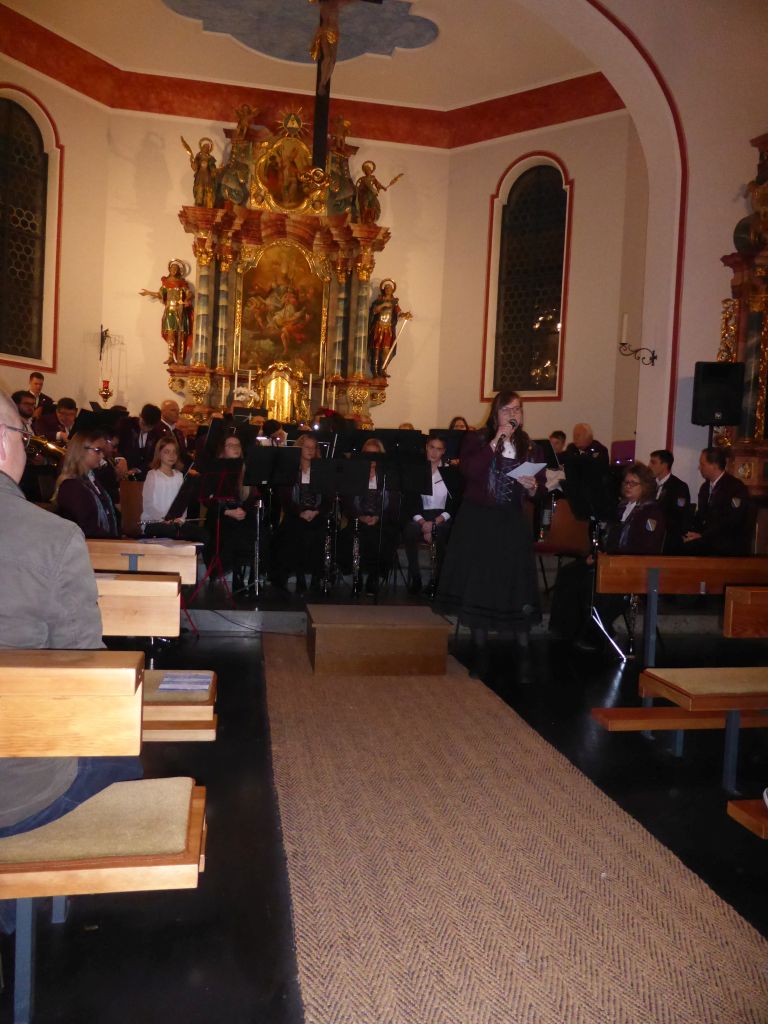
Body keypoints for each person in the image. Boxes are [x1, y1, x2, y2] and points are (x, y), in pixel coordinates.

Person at [0, 390, 141, 889]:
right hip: (17, 792)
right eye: (23, 435)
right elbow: (87, 676)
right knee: (124, 744)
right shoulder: (53, 537)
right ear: (2, 444)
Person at [435, 390, 545, 675]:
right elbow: (470, 471)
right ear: (495, 413)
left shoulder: (531, 447)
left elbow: (539, 487)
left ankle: (523, 653)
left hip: (511, 522)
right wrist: (497, 439)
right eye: (507, 409)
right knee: (480, 585)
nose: (513, 414)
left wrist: (533, 486)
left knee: (516, 585)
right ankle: (479, 653)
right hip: (478, 521)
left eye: (517, 409)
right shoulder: (477, 439)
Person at [549, 462, 665, 648]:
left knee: (590, 582)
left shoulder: (651, 512)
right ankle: (566, 629)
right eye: (626, 482)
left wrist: (610, 559)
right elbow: (608, 539)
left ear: (645, 486)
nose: (627, 486)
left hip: (629, 568)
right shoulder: (620, 507)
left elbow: (645, 548)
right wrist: (596, 555)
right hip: (609, 561)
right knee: (569, 572)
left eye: (633, 483)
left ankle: (597, 632)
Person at [402, 435, 462, 595]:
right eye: (432, 447)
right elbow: (410, 502)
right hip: (421, 516)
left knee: (441, 533)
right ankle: (416, 578)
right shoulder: (416, 471)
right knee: (410, 530)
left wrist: (435, 523)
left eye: (439, 449)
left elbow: (454, 504)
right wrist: (423, 523)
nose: (434, 452)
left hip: (442, 517)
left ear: (443, 452)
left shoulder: (451, 473)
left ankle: (436, 580)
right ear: (426, 448)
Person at [339, 437, 401, 594]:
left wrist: (378, 517)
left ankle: (374, 576)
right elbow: (346, 503)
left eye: (375, 455)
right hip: (358, 519)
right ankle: (356, 573)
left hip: (382, 520)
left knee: (382, 537)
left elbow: (393, 505)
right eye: (368, 454)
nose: (371, 459)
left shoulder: (388, 476)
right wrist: (360, 517)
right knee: (349, 536)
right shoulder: (354, 475)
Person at [202, 433, 260, 592]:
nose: (235, 448)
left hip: (241, 514)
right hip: (220, 515)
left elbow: (252, 497)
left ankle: (249, 575)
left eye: (238, 445)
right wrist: (227, 512)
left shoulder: (245, 469)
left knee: (255, 529)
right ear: (223, 450)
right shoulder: (215, 469)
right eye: (231, 445)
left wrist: (243, 510)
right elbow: (207, 500)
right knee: (232, 531)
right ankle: (236, 575)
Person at [271, 433, 327, 592]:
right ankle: (299, 576)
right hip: (295, 513)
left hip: (316, 514)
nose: (310, 450)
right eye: (306, 447)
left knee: (320, 533)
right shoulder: (290, 471)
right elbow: (285, 498)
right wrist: (300, 512)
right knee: (295, 532)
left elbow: (328, 498)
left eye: (313, 448)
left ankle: (317, 577)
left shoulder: (322, 471)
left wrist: (316, 511)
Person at [682, 447, 750, 555]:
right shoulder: (705, 487)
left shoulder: (735, 487)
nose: (699, 467)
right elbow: (701, 516)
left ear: (714, 465)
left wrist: (703, 536)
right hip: (707, 540)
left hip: (726, 545)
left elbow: (732, 521)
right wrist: (690, 531)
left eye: (702, 464)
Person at [53, 430, 120, 538]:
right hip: (87, 544)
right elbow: (85, 527)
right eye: (97, 450)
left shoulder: (91, 479)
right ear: (81, 451)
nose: (102, 455)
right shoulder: (71, 486)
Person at [141, 436, 203, 540]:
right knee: (173, 531)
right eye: (167, 452)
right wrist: (165, 519)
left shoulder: (179, 476)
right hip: (154, 522)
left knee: (202, 534)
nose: (172, 455)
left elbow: (183, 503)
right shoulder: (152, 475)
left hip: (175, 522)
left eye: (174, 452)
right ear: (159, 454)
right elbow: (148, 505)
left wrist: (181, 519)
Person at [140, 261, 193, 365]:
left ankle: (180, 358)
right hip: (170, 311)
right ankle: (170, 357)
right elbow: (160, 294)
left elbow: (189, 293)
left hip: (180, 310)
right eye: (172, 268)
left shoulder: (181, 283)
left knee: (181, 334)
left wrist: (186, 300)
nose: (174, 270)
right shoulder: (166, 283)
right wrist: (148, 293)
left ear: (179, 271)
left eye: (176, 269)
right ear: (169, 270)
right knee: (170, 334)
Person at [367, 279, 412, 378]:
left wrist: (405, 315)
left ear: (392, 290)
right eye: (386, 288)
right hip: (378, 327)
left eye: (390, 288)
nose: (388, 289)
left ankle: (383, 369)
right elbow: (374, 311)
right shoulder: (379, 300)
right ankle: (375, 371)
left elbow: (399, 313)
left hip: (388, 329)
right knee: (376, 349)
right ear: (383, 290)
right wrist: (384, 305)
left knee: (386, 350)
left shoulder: (394, 302)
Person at [648, 448, 690, 553]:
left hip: (668, 538)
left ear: (664, 465)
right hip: (649, 535)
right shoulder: (648, 485)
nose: (649, 466)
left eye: (653, 462)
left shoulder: (679, 487)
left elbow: (679, 515)